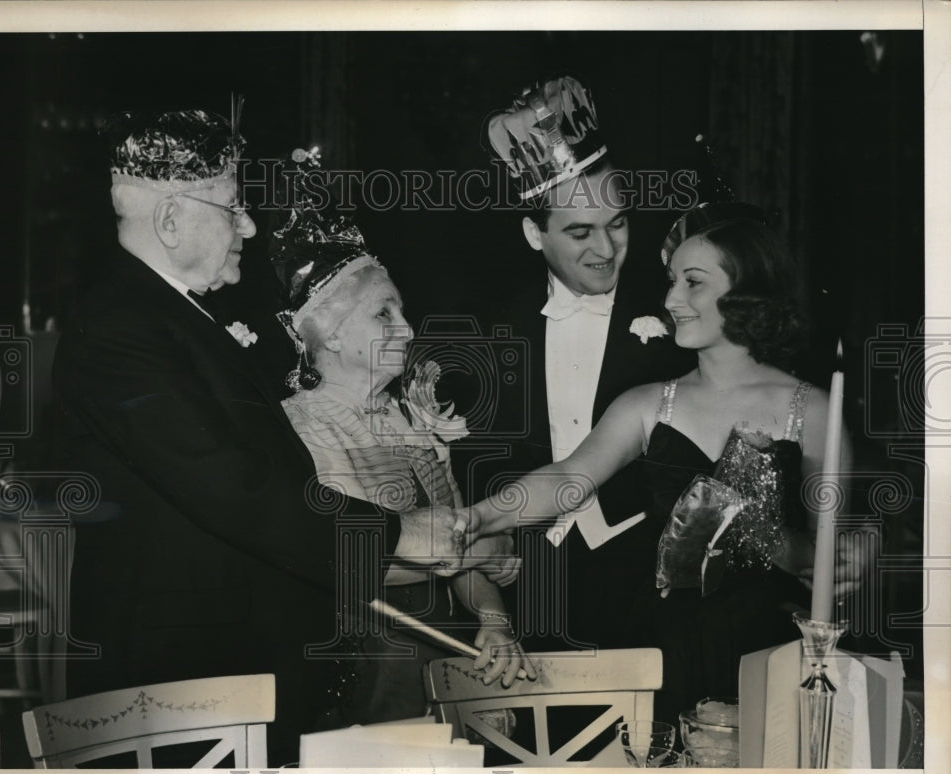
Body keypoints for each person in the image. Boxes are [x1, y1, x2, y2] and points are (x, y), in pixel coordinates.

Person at [52, 110, 477, 766]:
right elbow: (240, 492)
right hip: (173, 704)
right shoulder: (117, 331)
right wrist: (400, 535)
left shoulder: (182, 321)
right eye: (231, 205)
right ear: (170, 220)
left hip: (229, 692)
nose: (247, 224)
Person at [465, 205, 870, 725]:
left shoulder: (811, 411)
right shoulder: (648, 402)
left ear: (746, 290)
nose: (671, 299)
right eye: (672, 281)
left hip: (766, 653)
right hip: (656, 648)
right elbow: (568, 479)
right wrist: (477, 519)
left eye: (693, 283)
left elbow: (834, 550)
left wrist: (848, 555)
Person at [271, 147, 531, 724]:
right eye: (383, 314)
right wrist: (478, 547)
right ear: (331, 336)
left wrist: (493, 623)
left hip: (440, 652)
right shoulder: (305, 422)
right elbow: (351, 558)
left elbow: (456, 537)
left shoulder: (409, 416)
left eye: (402, 311)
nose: (408, 329)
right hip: (361, 663)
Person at [478, 76, 693, 650]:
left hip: (657, 590)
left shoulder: (681, 316)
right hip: (534, 590)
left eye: (617, 224)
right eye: (579, 232)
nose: (605, 250)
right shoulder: (492, 331)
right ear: (533, 233)